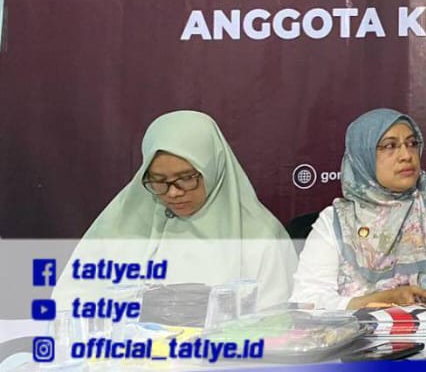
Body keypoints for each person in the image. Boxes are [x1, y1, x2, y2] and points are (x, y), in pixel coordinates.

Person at [53, 111, 297, 307]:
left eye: (186, 178)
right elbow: (68, 302)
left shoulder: (261, 237)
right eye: (158, 180)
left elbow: (276, 327)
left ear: (213, 169)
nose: (172, 193)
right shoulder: (119, 223)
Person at [291, 109, 426, 311]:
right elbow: (307, 301)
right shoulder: (336, 222)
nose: (406, 155)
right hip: (351, 332)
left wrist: (422, 316)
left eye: (412, 144)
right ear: (363, 156)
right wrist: (379, 302)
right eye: (390, 146)